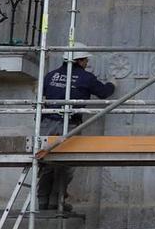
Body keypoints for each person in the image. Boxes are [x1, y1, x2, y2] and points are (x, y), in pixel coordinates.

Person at [37, 54, 115, 213]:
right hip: (69, 125)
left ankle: (42, 201)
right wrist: (112, 84)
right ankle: (56, 201)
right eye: (85, 60)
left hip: (47, 124)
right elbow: (104, 92)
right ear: (79, 61)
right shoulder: (85, 77)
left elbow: (42, 95)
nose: (87, 63)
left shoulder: (51, 75)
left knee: (46, 162)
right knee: (66, 164)